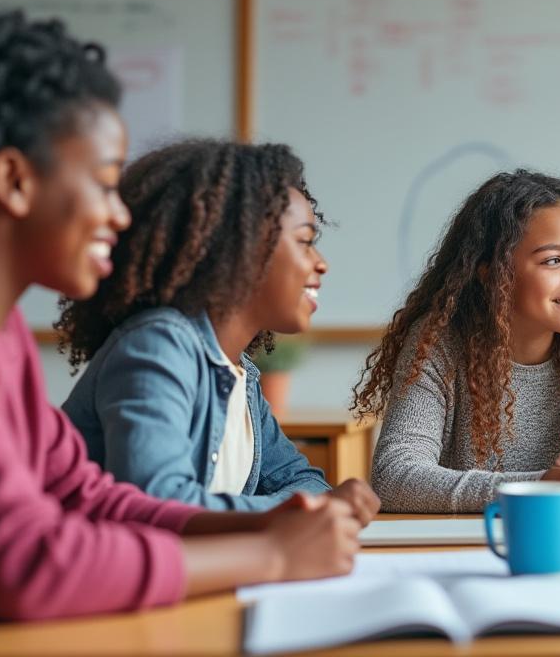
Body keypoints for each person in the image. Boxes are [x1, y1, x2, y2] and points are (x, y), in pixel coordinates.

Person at [0, 2, 360, 632]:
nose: (120, 216)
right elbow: (20, 562)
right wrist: (269, 553)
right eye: (102, 184)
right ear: (14, 181)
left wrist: (261, 522)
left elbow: (85, 494)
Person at [57, 139, 378, 514]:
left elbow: (305, 482)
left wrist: (303, 507)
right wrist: (287, 513)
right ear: (240, 250)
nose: (320, 263)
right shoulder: (159, 346)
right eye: (305, 241)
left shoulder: (240, 375)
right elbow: (158, 503)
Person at [354, 170, 560, 512]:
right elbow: (394, 478)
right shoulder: (440, 342)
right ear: (491, 272)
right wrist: (537, 487)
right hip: (469, 551)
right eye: (553, 260)